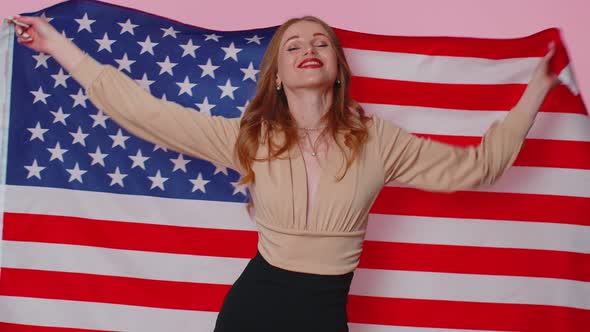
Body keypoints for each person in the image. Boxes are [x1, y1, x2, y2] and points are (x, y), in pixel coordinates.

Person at [7, 13, 559, 332]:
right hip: (253, 310)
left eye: (321, 42)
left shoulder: (380, 140)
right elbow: (146, 114)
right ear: (276, 75)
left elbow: (478, 167)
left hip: (324, 315)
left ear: (339, 67)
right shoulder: (250, 140)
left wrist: (539, 86)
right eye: (293, 45)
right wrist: (56, 44)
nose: (309, 49)